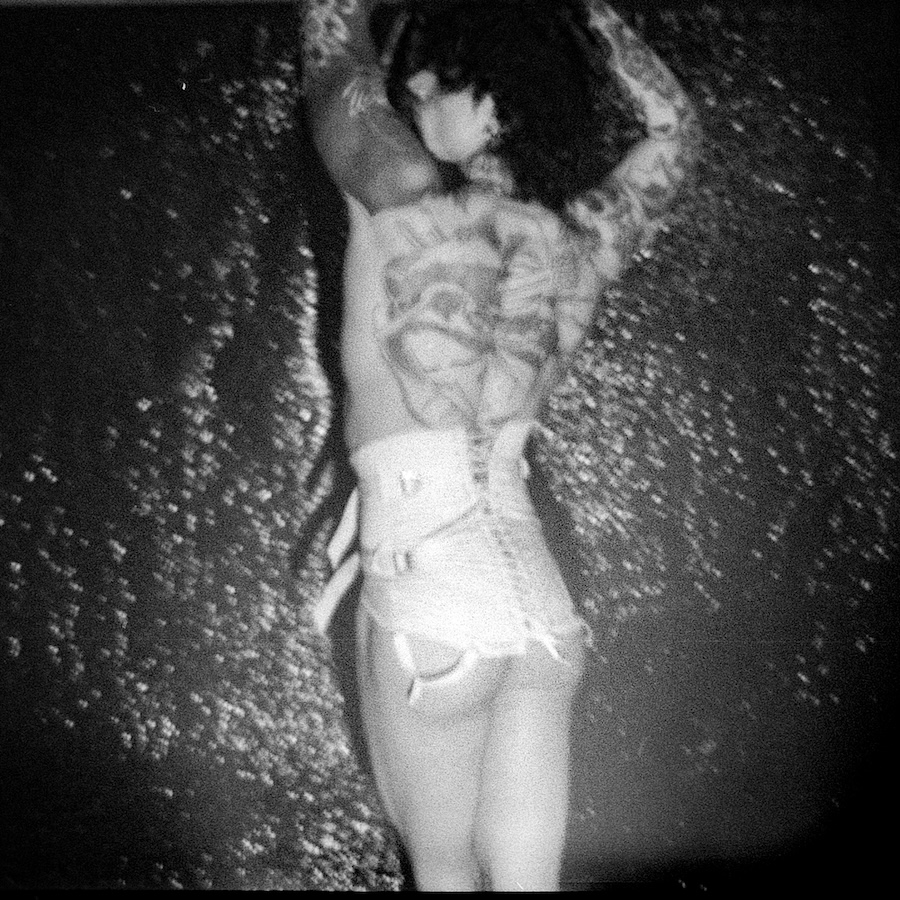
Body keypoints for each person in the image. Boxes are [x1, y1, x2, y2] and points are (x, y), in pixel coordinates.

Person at [301, 0, 700, 890]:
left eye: (444, 77)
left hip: (434, 591)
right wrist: (591, 15)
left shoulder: (397, 186)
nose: (416, 85)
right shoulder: (581, 240)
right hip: (540, 612)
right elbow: (676, 129)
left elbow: (330, 44)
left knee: (442, 875)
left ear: (492, 103)